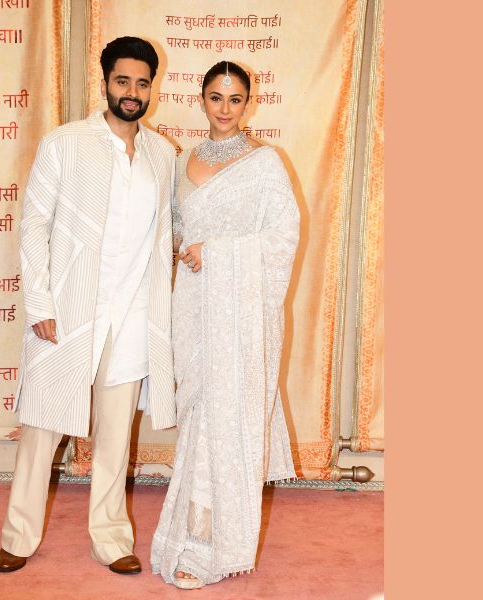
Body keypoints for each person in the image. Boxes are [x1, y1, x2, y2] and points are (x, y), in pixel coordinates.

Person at [0, 36, 177, 576]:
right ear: (105, 83)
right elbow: (34, 226)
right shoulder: (65, 143)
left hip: (133, 316)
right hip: (70, 312)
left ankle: (111, 538)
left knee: (116, 435)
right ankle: (19, 534)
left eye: (142, 83)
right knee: (42, 429)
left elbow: (169, 229)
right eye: (123, 81)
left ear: (151, 88)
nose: (132, 92)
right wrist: (39, 303)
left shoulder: (162, 155)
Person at [150, 61, 300, 590]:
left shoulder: (265, 164)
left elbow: (282, 239)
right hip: (192, 305)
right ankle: (192, 532)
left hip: (240, 314)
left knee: (224, 417)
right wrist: (175, 249)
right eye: (216, 97)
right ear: (202, 99)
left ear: (249, 103)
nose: (225, 109)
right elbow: (170, 228)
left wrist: (215, 252)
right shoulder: (180, 161)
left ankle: (206, 545)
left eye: (236, 99)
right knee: (198, 415)